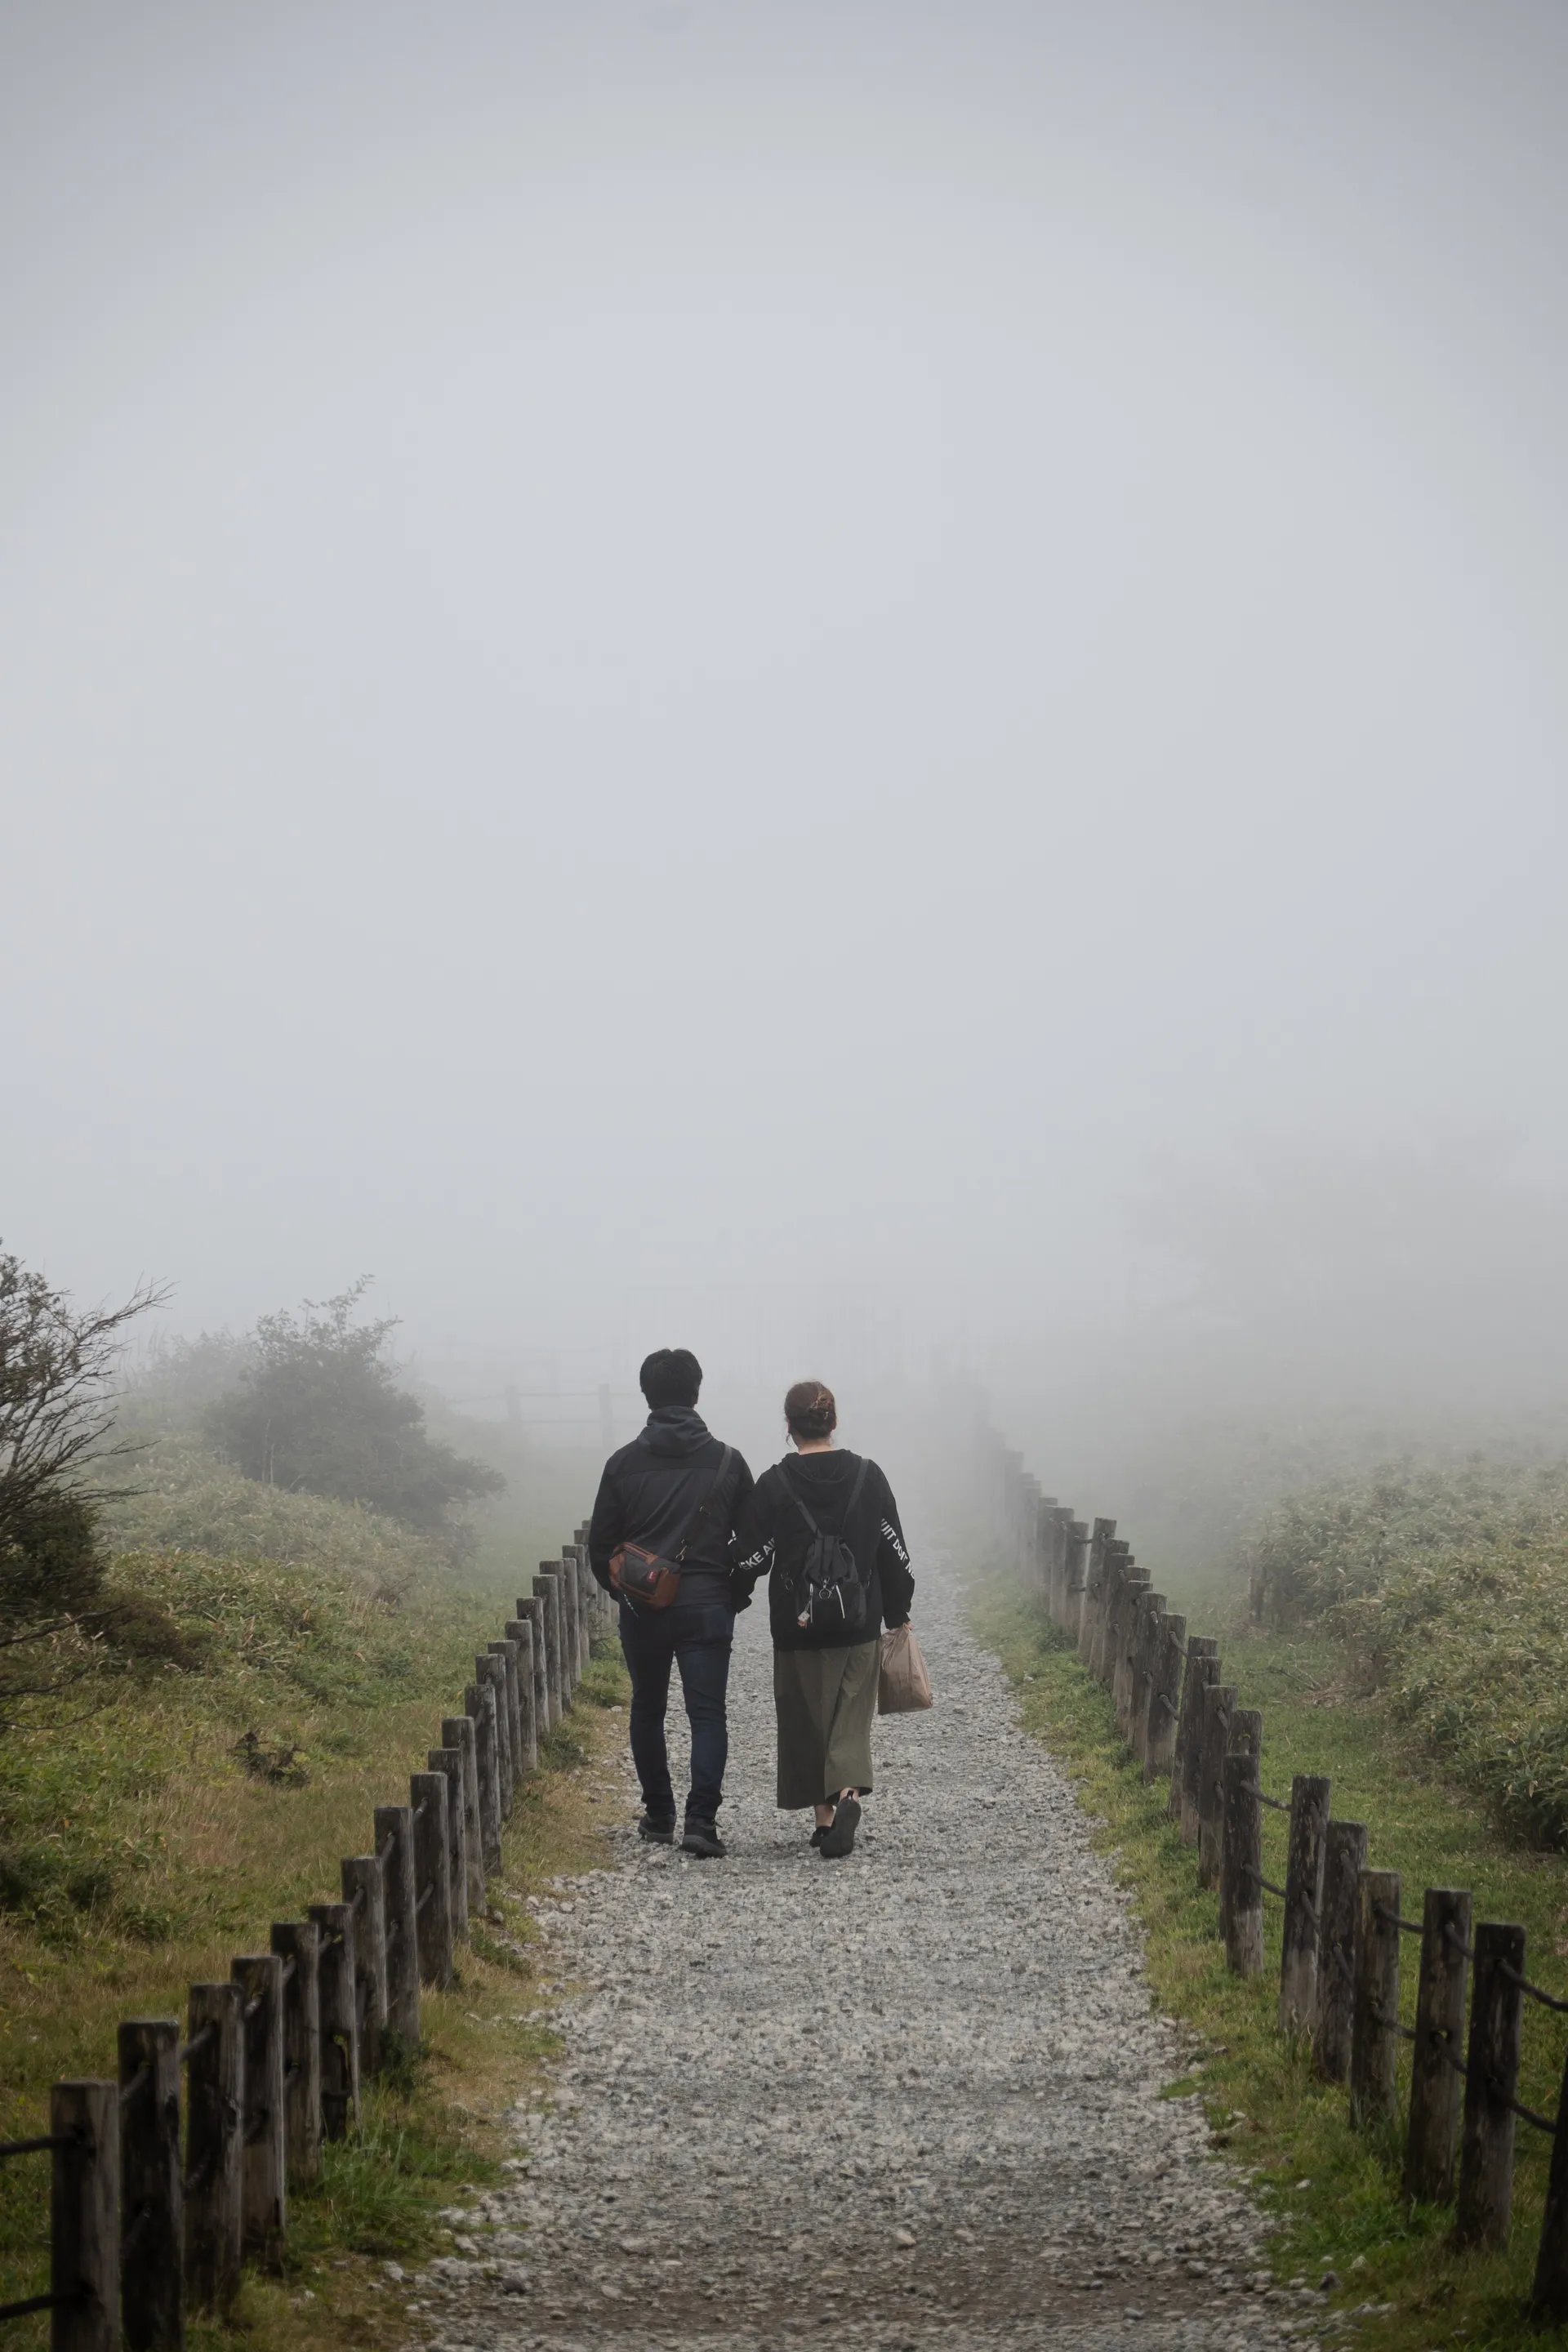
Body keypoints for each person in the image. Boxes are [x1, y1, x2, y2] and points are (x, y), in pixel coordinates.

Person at [587, 1348, 755, 1859]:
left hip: (644, 1611)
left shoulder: (622, 1464)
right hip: (707, 1606)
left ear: (646, 1394)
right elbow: (751, 1543)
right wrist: (731, 1594)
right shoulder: (728, 1461)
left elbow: (601, 1547)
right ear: (697, 1392)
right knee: (707, 1715)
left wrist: (627, 1592)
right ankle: (701, 1823)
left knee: (648, 1709)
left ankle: (659, 1815)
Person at [736, 1380, 914, 1859]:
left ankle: (824, 1820)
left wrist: (730, 1592)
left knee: (807, 1719)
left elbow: (752, 1556)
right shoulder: (868, 1476)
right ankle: (850, 1794)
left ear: (789, 1427)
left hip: (797, 1628)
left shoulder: (774, 1484)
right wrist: (898, 1612)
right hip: (858, 1623)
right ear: (833, 1422)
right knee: (850, 1717)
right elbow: (893, 1550)